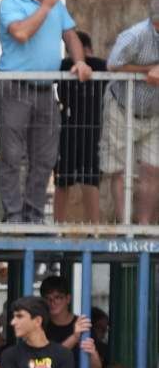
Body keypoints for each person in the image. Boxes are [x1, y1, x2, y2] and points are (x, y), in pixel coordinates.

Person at [0, 0, 92, 224]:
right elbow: (21, 33)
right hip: (14, 88)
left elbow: (70, 35)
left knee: (46, 159)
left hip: (45, 90)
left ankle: (34, 217)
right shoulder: (10, 3)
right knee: (12, 157)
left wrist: (80, 62)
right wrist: (46, 7)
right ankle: (13, 217)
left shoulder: (55, 6)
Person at [102, 1, 159, 223]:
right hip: (122, 109)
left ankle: (144, 226)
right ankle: (125, 226)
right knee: (119, 169)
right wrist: (149, 70)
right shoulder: (134, 35)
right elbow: (113, 64)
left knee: (152, 170)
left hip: (154, 114)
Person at [54, 32, 107, 224]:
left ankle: (88, 228)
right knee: (64, 180)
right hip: (70, 130)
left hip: (86, 131)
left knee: (86, 179)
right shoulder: (64, 66)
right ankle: (66, 227)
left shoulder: (98, 65)